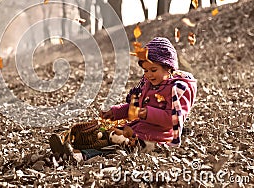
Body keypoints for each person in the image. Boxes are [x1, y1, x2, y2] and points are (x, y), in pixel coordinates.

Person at [49, 37, 197, 161]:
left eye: (153, 70)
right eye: (145, 70)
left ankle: (79, 156)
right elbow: (134, 107)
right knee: (104, 135)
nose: (149, 75)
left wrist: (147, 113)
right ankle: (71, 146)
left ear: (169, 68)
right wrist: (115, 112)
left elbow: (173, 119)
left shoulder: (177, 89)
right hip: (138, 130)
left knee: (118, 148)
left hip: (155, 139)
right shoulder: (149, 84)